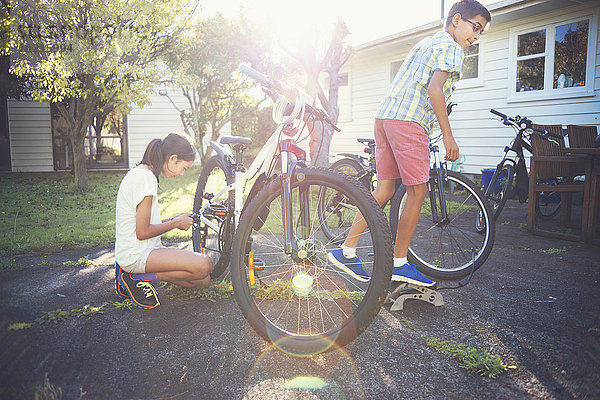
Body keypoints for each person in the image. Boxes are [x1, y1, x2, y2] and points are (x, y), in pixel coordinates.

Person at [328, 0, 491, 287]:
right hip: (409, 121)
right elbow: (434, 89)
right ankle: (399, 263)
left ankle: (347, 250)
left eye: (481, 33)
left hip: (386, 117)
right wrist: (448, 135)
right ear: (456, 20)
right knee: (417, 191)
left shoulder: (426, 43)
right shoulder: (451, 48)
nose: (476, 36)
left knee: (384, 189)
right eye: (475, 27)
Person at [114, 132, 213, 309]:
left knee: (203, 280)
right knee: (204, 264)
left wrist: (175, 219)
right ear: (173, 159)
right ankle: (133, 277)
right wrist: (175, 224)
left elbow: (144, 223)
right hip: (136, 253)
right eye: (183, 167)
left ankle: (144, 275)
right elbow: (142, 232)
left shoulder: (144, 174)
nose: (182, 173)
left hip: (146, 249)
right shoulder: (145, 178)